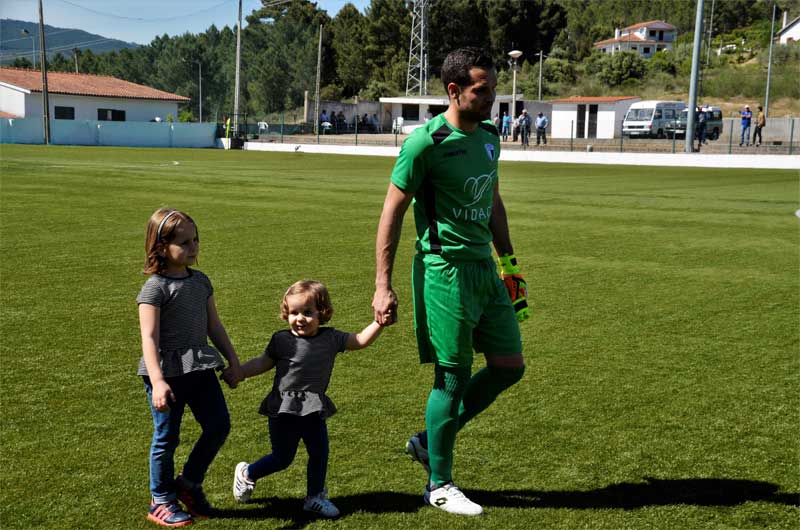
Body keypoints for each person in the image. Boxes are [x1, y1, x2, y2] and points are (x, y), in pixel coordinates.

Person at [372, 47, 529, 516]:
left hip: (485, 269)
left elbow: (494, 203)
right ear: (454, 90)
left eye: (494, 90)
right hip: (445, 272)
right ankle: (439, 483)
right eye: (482, 91)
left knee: (509, 365)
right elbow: (391, 212)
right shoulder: (425, 143)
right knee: (453, 375)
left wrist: (511, 264)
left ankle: (428, 441)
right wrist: (383, 284)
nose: (491, 99)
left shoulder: (491, 139)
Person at [225, 280, 385, 518]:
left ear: (323, 313)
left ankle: (314, 497)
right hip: (283, 409)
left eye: (307, 313)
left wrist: (379, 323)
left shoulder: (331, 338)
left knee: (319, 452)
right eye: (294, 313)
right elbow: (262, 363)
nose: (299, 318)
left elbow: (360, 340)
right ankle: (248, 473)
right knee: (282, 458)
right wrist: (239, 372)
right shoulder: (281, 340)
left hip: (313, 408)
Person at [137, 208, 243, 527]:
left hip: (200, 367)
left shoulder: (201, 281)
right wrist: (157, 381)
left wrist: (233, 361)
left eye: (195, 239)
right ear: (160, 247)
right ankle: (161, 499)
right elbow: (149, 337)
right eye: (184, 242)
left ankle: (189, 483)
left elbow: (215, 326)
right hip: (167, 374)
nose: (193, 247)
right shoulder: (154, 289)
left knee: (218, 425)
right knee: (167, 438)